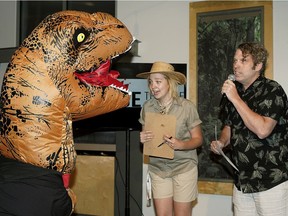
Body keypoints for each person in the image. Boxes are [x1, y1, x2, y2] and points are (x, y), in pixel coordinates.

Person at [210, 42, 288, 216]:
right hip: (242, 180)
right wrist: (222, 142)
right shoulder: (235, 91)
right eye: (235, 60)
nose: (236, 65)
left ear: (258, 65)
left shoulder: (272, 90)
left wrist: (236, 99)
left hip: (270, 181)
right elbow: (229, 126)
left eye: (243, 60)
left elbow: (263, 130)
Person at [137, 61, 203, 216]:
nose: (153, 86)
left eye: (158, 82)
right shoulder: (147, 107)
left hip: (184, 168)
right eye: (151, 82)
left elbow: (198, 139)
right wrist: (143, 138)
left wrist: (181, 145)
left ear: (170, 83)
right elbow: (147, 138)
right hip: (158, 169)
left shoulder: (186, 107)